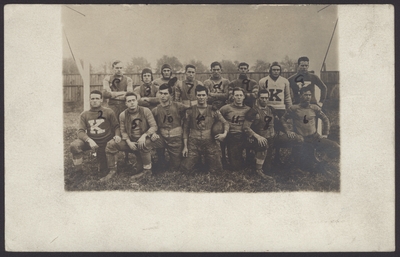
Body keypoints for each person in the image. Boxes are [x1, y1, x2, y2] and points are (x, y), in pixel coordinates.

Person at [243, 89, 302, 179]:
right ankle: (258, 169)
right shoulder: (253, 111)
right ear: (258, 98)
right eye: (262, 98)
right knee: (268, 169)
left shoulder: (271, 109)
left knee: (298, 138)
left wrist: (287, 131)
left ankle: (294, 163)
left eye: (266, 98)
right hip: (262, 139)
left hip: (274, 136)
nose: (264, 100)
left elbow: (279, 123)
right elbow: (246, 127)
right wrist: (257, 137)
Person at [69, 90, 121, 185]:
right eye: (92, 98)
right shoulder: (84, 114)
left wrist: (117, 135)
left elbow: (116, 126)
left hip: (105, 141)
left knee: (103, 169)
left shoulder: (108, 112)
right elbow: (80, 131)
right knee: (74, 146)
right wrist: (88, 140)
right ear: (89, 100)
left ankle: (105, 163)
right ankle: (78, 171)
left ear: (101, 100)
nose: (95, 100)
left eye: (97, 98)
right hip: (91, 141)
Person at [280, 87, 340, 170]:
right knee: (307, 166)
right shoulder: (294, 108)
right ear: (300, 95)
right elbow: (283, 119)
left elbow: (325, 119)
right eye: (305, 95)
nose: (308, 97)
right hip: (302, 140)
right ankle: (304, 163)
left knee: (336, 146)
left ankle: (323, 162)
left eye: (309, 95)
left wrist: (325, 134)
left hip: (315, 138)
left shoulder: (314, 108)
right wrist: (288, 131)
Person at [104, 92, 159, 181]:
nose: (132, 103)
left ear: (137, 101)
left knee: (143, 144)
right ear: (126, 103)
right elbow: (123, 131)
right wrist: (129, 142)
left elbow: (154, 126)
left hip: (144, 139)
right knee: (111, 144)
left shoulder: (145, 111)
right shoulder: (123, 114)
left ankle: (147, 171)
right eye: (129, 101)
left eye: (133, 100)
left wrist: (144, 136)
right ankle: (112, 170)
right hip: (131, 140)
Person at [181, 85, 229, 174]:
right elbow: (185, 129)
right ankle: (198, 160)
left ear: (207, 96)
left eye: (203, 95)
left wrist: (224, 134)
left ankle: (206, 160)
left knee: (216, 170)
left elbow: (225, 123)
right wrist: (185, 146)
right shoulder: (190, 110)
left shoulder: (213, 110)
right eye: (199, 95)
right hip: (194, 142)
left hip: (210, 142)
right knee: (185, 169)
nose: (201, 97)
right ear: (196, 96)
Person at [150, 83, 191, 172]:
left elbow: (191, 109)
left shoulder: (178, 106)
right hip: (162, 136)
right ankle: (160, 160)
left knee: (176, 167)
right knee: (153, 141)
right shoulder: (156, 110)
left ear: (170, 95)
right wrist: (153, 133)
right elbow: (151, 124)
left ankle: (174, 161)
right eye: (161, 93)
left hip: (175, 138)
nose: (163, 96)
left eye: (165, 93)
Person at [258, 61, 293, 164]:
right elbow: (260, 96)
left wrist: (290, 109)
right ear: (270, 70)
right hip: (268, 109)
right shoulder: (263, 81)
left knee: (278, 131)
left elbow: (287, 96)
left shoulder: (285, 81)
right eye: (274, 69)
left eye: (278, 70)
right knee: (268, 130)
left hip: (280, 109)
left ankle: (277, 155)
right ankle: (266, 155)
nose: (276, 71)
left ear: (280, 71)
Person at [203, 61, 231, 168]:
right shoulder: (207, 82)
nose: (216, 71)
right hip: (210, 110)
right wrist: (219, 95)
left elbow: (227, 96)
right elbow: (207, 97)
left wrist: (212, 94)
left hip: (222, 109)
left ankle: (224, 156)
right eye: (213, 69)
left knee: (222, 131)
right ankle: (208, 157)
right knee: (208, 132)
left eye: (217, 69)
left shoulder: (225, 81)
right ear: (211, 70)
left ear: (221, 70)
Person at [219, 87, 251, 171]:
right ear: (233, 96)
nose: (239, 97)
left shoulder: (248, 109)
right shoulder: (226, 108)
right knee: (236, 167)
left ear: (244, 96)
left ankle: (248, 158)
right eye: (236, 95)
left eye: (241, 95)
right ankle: (227, 158)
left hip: (244, 134)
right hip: (231, 135)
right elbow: (217, 116)